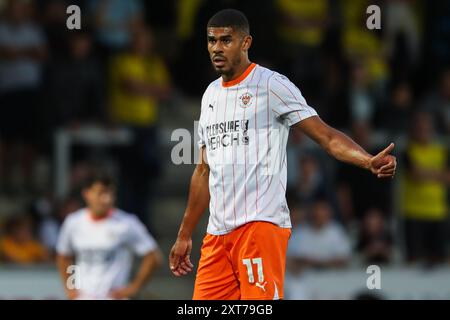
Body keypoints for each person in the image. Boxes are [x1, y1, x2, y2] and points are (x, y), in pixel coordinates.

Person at [169, 9, 396, 300]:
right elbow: (202, 170)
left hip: (259, 226)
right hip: (217, 236)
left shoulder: (271, 85)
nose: (217, 48)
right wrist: (185, 233)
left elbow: (325, 135)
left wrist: (366, 160)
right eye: (212, 40)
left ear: (246, 42)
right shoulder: (210, 95)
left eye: (226, 40)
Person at [56, 173, 162, 300]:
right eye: (101, 193)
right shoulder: (73, 222)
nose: (107, 199)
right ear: (87, 194)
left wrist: (134, 287)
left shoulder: (127, 223)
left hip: (113, 297)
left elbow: (153, 257)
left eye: (110, 194)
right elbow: (63, 256)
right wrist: (70, 288)